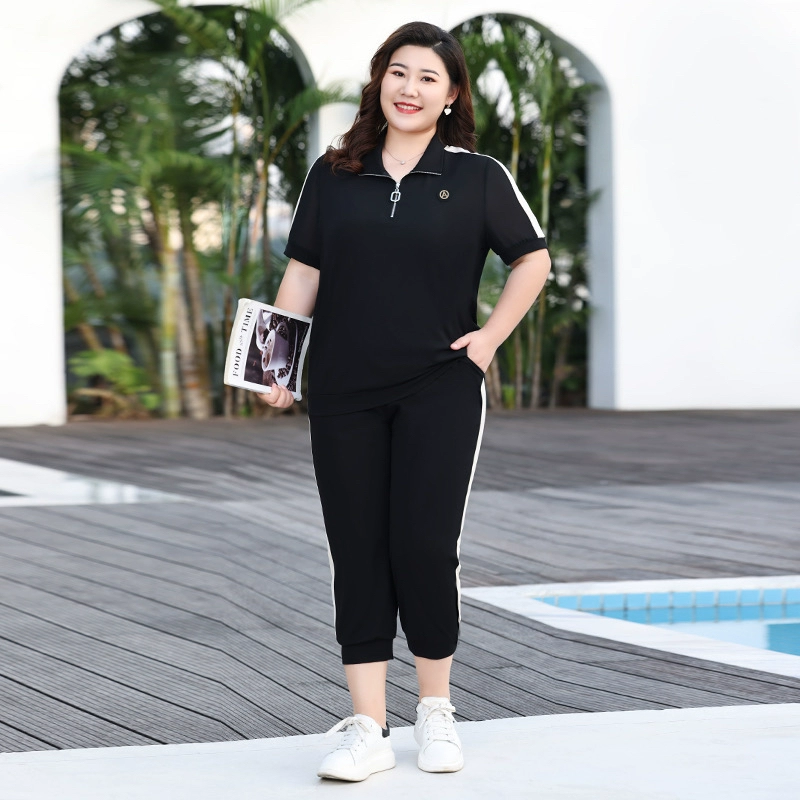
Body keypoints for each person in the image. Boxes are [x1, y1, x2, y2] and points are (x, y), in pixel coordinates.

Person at [259, 20, 551, 782]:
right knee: (356, 550)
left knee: (424, 546)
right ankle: (368, 726)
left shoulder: (478, 176)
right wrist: (275, 365)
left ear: (451, 94)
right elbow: (303, 274)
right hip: (344, 391)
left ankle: (435, 709)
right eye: (398, 72)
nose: (410, 88)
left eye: (428, 77)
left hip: (438, 388)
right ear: (378, 80)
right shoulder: (334, 174)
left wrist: (488, 339)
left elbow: (533, 260)